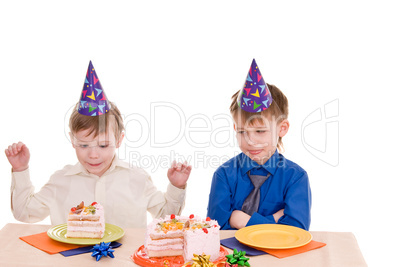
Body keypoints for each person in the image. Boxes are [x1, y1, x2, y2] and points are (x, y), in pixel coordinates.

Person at [5, 61, 191, 228]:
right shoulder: (60, 181)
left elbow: (166, 217)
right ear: (72, 140)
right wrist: (20, 169)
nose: (93, 155)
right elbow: (25, 214)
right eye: (84, 145)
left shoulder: (137, 179)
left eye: (103, 146)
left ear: (119, 140)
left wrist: (176, 186)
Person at [207, 59, 311, 230]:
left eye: (260, 131)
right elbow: (214, 229)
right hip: (231, 256)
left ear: (282, 128)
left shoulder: (295, 178)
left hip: (278, 257)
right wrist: (274, 220)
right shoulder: (224, 175)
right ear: (234, 128)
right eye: (242, 132)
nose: (250, 141)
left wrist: (240, 220)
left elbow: (295, 232)